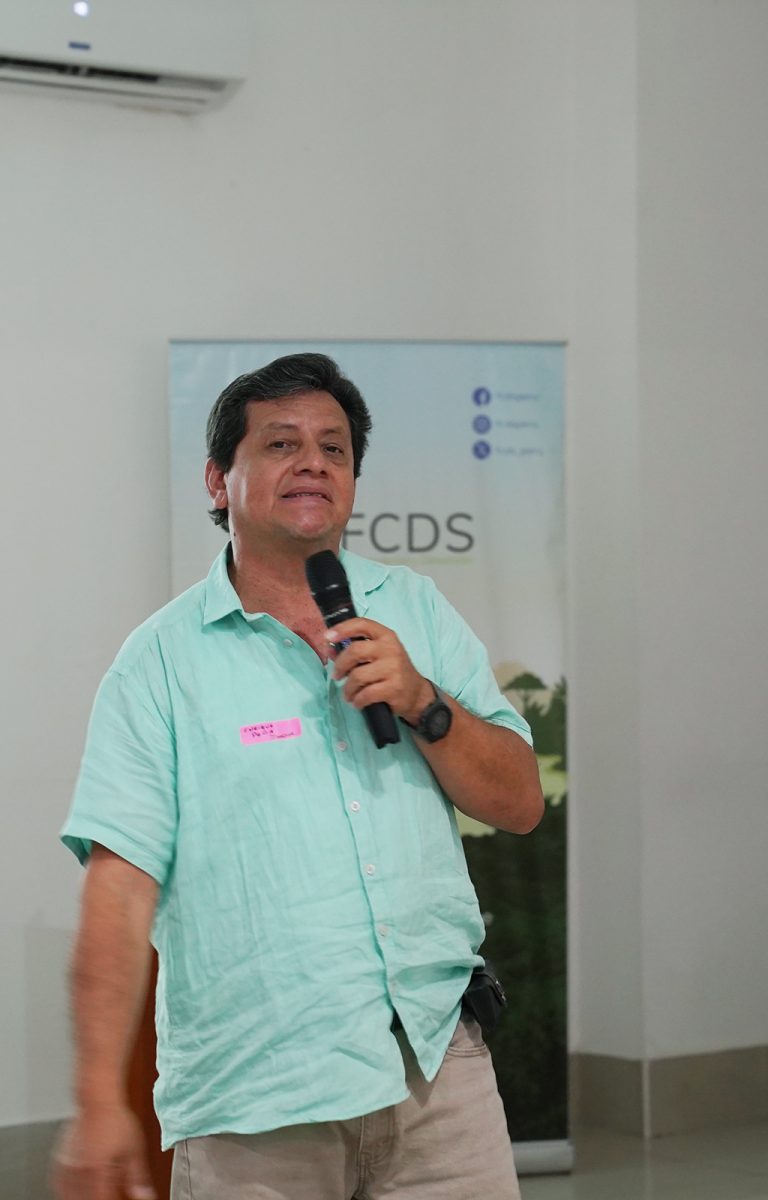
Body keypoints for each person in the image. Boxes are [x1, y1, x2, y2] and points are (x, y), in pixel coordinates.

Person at [52, 352, 544, 1200]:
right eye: (281, 444)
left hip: (436, 1070)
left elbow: (521, 801)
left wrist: (425, 702)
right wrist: (98, 1099)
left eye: (334, 448)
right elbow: (119, 888)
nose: (314, 462)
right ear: (219, 480)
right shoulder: (159, 663)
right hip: (258, 1094)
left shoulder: (416, 610)